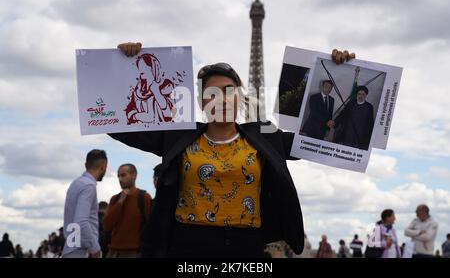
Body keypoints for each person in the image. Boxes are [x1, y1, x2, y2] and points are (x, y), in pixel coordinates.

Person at [110, 42, 355, 257]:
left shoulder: (264, 135)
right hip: (187, 246)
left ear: (241, 98)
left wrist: (338, 68)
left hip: (246, 248)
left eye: (229, 91)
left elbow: (319, 142)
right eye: (212, 93)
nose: (222, 99)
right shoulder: (178, 135)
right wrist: (126, 63)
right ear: (201, 102)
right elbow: (118, 127)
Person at [61, 149, 108, 258]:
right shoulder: (89, 186)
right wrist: (95, 248)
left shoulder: (76, 184)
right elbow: (81, 221)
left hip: (71, 247)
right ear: (103, 165)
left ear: (86, 164)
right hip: (79, 251)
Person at [103, 164, 152, 258]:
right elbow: (106, 225)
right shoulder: (115, 199)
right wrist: (120, 202)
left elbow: (150, 225)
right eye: (118, 176)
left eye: (123, 175)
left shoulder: (144, 197)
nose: (120, 179)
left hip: (134, 253)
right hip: (113, 253)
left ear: (134, 175)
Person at [334, 85, 374, 150]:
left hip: (360, 137)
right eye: (359, 94)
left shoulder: (369, 107)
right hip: (348, 134)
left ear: (366, 95)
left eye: (363, 94)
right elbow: (342, 115)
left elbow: (370, 123)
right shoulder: (351, 103)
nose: (361, 96)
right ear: (357, 94)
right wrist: (334, 122)